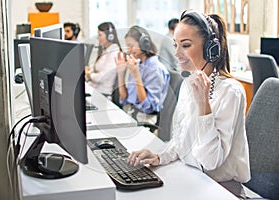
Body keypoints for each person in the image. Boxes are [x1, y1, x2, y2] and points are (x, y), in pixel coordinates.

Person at [127, 11, 250, 198]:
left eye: (185, 45)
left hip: (220, 190)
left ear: (211, 49)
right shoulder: (188, 83)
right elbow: (181, 141)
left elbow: (210, 162)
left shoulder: (231, 92)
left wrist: (203, 106)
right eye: (176, 45)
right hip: (191, 178)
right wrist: (160, 156)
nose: (176, 53)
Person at [115, 25, 170, 125]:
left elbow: (148, 108)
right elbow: (124, 99)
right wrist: (121, 73)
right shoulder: (138, 65)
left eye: (131, 46)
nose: (128, 50)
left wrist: (136, 76)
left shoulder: (155, 69)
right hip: (131, 115)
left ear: (144, 44)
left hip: (146, 122)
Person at [85, 22, 122, 96]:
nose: (98, 38)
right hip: (94, 90)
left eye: (100, 35)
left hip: (102, 94)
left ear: (110, 36)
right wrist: (88, 73)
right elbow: (93, 69)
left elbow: (102, 77)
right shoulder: (106, 51)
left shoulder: (114, 53)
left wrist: (89, 75)